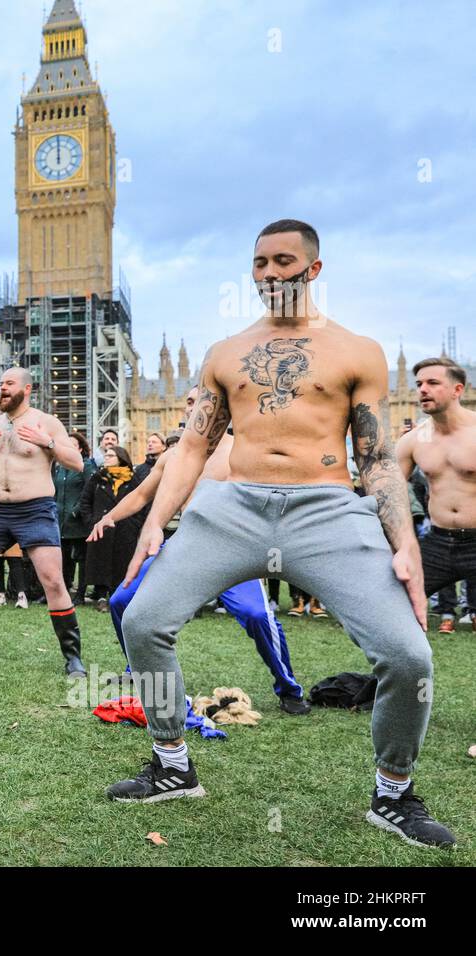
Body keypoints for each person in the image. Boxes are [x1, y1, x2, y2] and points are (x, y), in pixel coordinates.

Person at [106, 219, 453, 849]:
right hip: (232, 505)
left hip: (325, 507)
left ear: (313, 269)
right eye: (260, 263)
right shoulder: (225, 353)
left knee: (408, 657)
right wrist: (154, 524)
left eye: (283, 261)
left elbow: (375, 457)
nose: (269, 274)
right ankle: (172, 765)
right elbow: (191, 447)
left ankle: (394, 794)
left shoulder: (357, 351)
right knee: (142, 620)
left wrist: (402, 539)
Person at [91, 389, 308, 715]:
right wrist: (108, 517)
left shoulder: (244, 450)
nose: (193, 407)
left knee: (258, 616)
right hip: (184, 546)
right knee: (122, 601)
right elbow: (139, 496)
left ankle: (289, 688)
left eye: (201, 401)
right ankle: (138, 670)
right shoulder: (174, 455)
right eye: (189, 401)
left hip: (232, 548)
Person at [0, 367, 87, 672]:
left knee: (53, 580)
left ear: (26, 389)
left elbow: (78, 463)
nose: (2, 388)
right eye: (1, 383)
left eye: (9, 384)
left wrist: (48, 442)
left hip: (35, 509)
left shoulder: (47, 422)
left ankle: (72, 657)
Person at [397, 356, 476, 635]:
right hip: (438, 541)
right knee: (393, 603)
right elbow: (387, 491)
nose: (422, 389)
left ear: (458, 390)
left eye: (432, 383)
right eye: (418, 384)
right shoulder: (413, 440)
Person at [80, 445, 140, 612]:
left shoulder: (132, 479)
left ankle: (116, 595)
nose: (106, 458)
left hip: (125, 528)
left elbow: (142, 503)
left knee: (122, 562)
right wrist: (92, 522)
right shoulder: (97, 478)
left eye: (111, 455)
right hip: (101, 529)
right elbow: (85, 502)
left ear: (120, 459)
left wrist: (135, 524)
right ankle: (100, 596)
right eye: (106, 455)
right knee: (100, 561)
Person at [54, 431, 96, 603]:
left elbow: (90, 490)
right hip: (60, 521)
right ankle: (62, 592)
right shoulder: (60, 468)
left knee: (81, 559)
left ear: (80, 448)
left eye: (72, 444)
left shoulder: (86, 466)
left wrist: (76, 510)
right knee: (62, 559)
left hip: (78, 522)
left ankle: (80, 594)